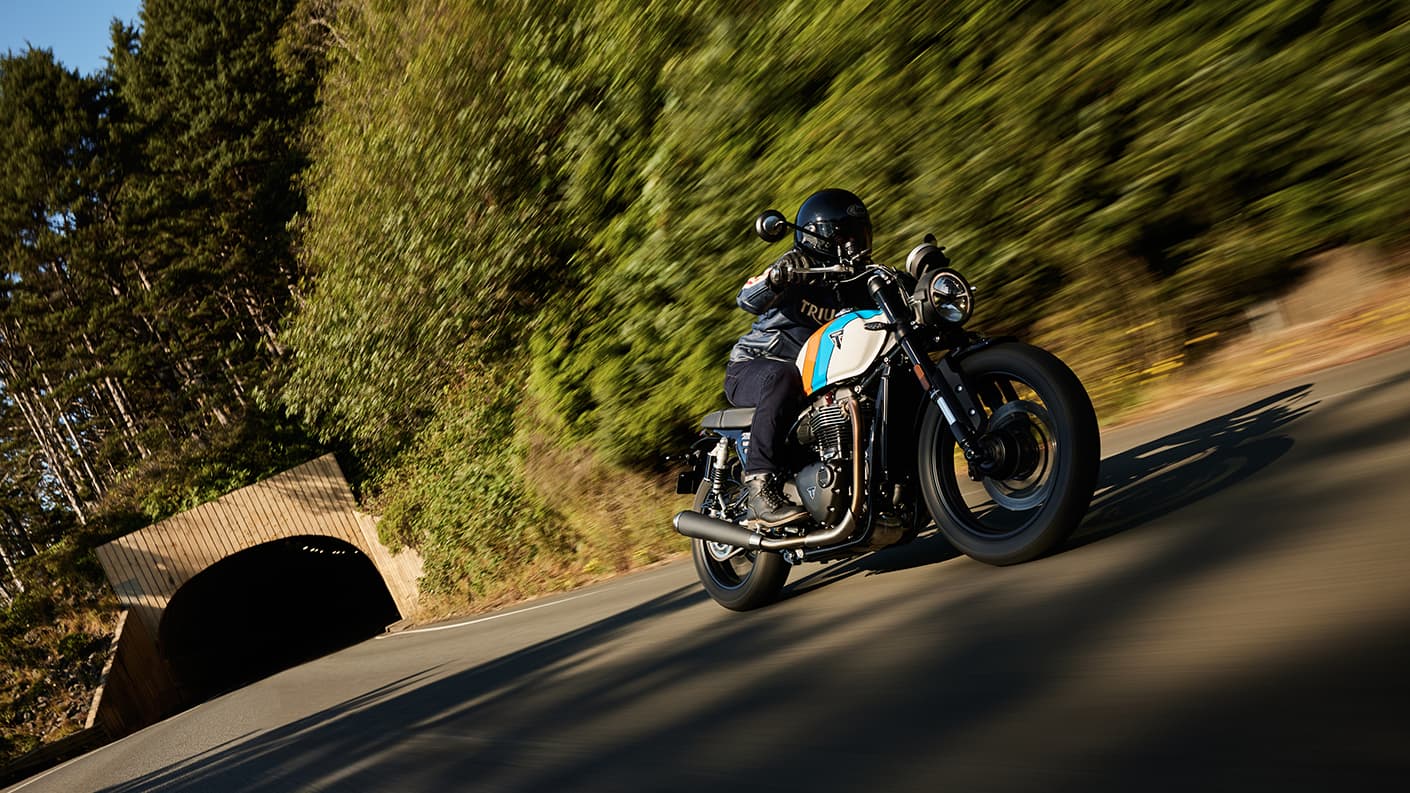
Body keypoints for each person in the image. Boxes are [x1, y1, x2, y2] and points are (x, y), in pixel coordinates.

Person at [724, 188, 873, 527]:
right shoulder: (797, 269)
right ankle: (760, 485)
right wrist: (777, 278)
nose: (855, 244)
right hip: (754, 366)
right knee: (783, 376)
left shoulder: (858, 284)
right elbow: (746, 297)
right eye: (845, 236)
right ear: (819, 237)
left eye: (860, 234)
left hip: (812, 376)